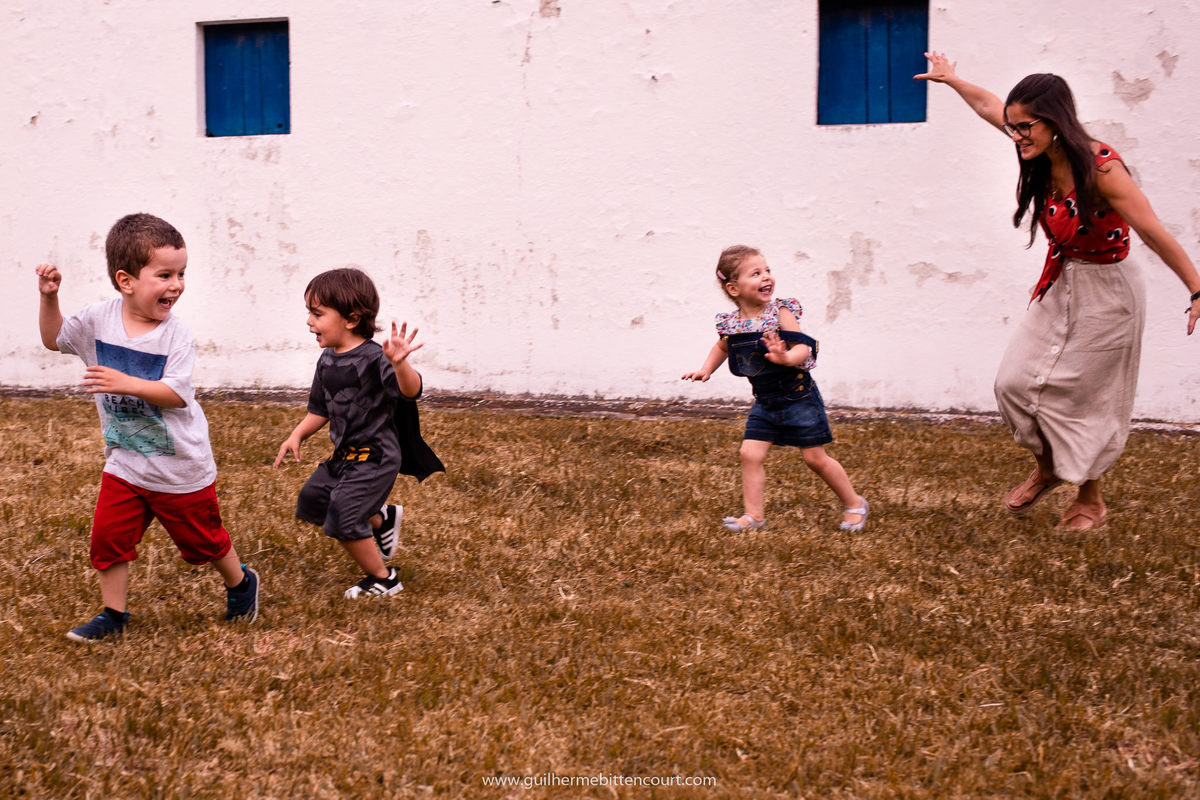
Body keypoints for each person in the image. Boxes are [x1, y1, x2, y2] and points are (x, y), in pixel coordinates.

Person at [916, 52, 1200, 531]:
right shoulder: (1040, 153)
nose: (1016, 136)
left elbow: (1152, 231)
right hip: (1063, 279)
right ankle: (1048, 466)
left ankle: (1090, 499)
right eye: (1013, 127)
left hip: (1111, 290)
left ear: (1055, 122)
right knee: (1013, 382)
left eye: (1025, 127)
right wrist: (953, 80)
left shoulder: (1102, 169)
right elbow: (989, 106)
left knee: (1091, 398)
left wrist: (1195, 287)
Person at [35, 213, 260, 642]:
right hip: (126, 462)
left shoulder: (176, 335)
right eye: (165, 275)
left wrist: (126, 383)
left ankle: (241, 582)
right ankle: (113, 614)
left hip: (180, 467)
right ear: (126, 281)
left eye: (181, 274)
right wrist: (50, 298)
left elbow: (176, 393)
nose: (177, 285)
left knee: (205, 543)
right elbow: (54, 338)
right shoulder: (97, 320)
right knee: (108, 538)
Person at [274, 267, 444, 598]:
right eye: (309, 312)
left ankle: (384, 579)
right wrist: (297, 435)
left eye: (317, 314)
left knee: (342, 516)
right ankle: (380, 519)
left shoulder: (375, 358)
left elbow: (411, 391)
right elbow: (320, 410)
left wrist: (399, 364)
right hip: (344, 456)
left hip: (375, 457)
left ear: (351, 319)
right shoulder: (326, 361)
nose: (309, 322)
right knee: (313, 501)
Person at [682, 245, 868, 533]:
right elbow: (722, 347)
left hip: (798, 396)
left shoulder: (780, 312)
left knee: (815, 458)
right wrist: (706, 369)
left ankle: (854, 503)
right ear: (733, 288)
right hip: (766, 402)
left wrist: (786, 357)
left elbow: (803, 347)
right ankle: (753, 515)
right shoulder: (732, 323)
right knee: (749, 454)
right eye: (756, 273)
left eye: (767, 270)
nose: (766, 277)